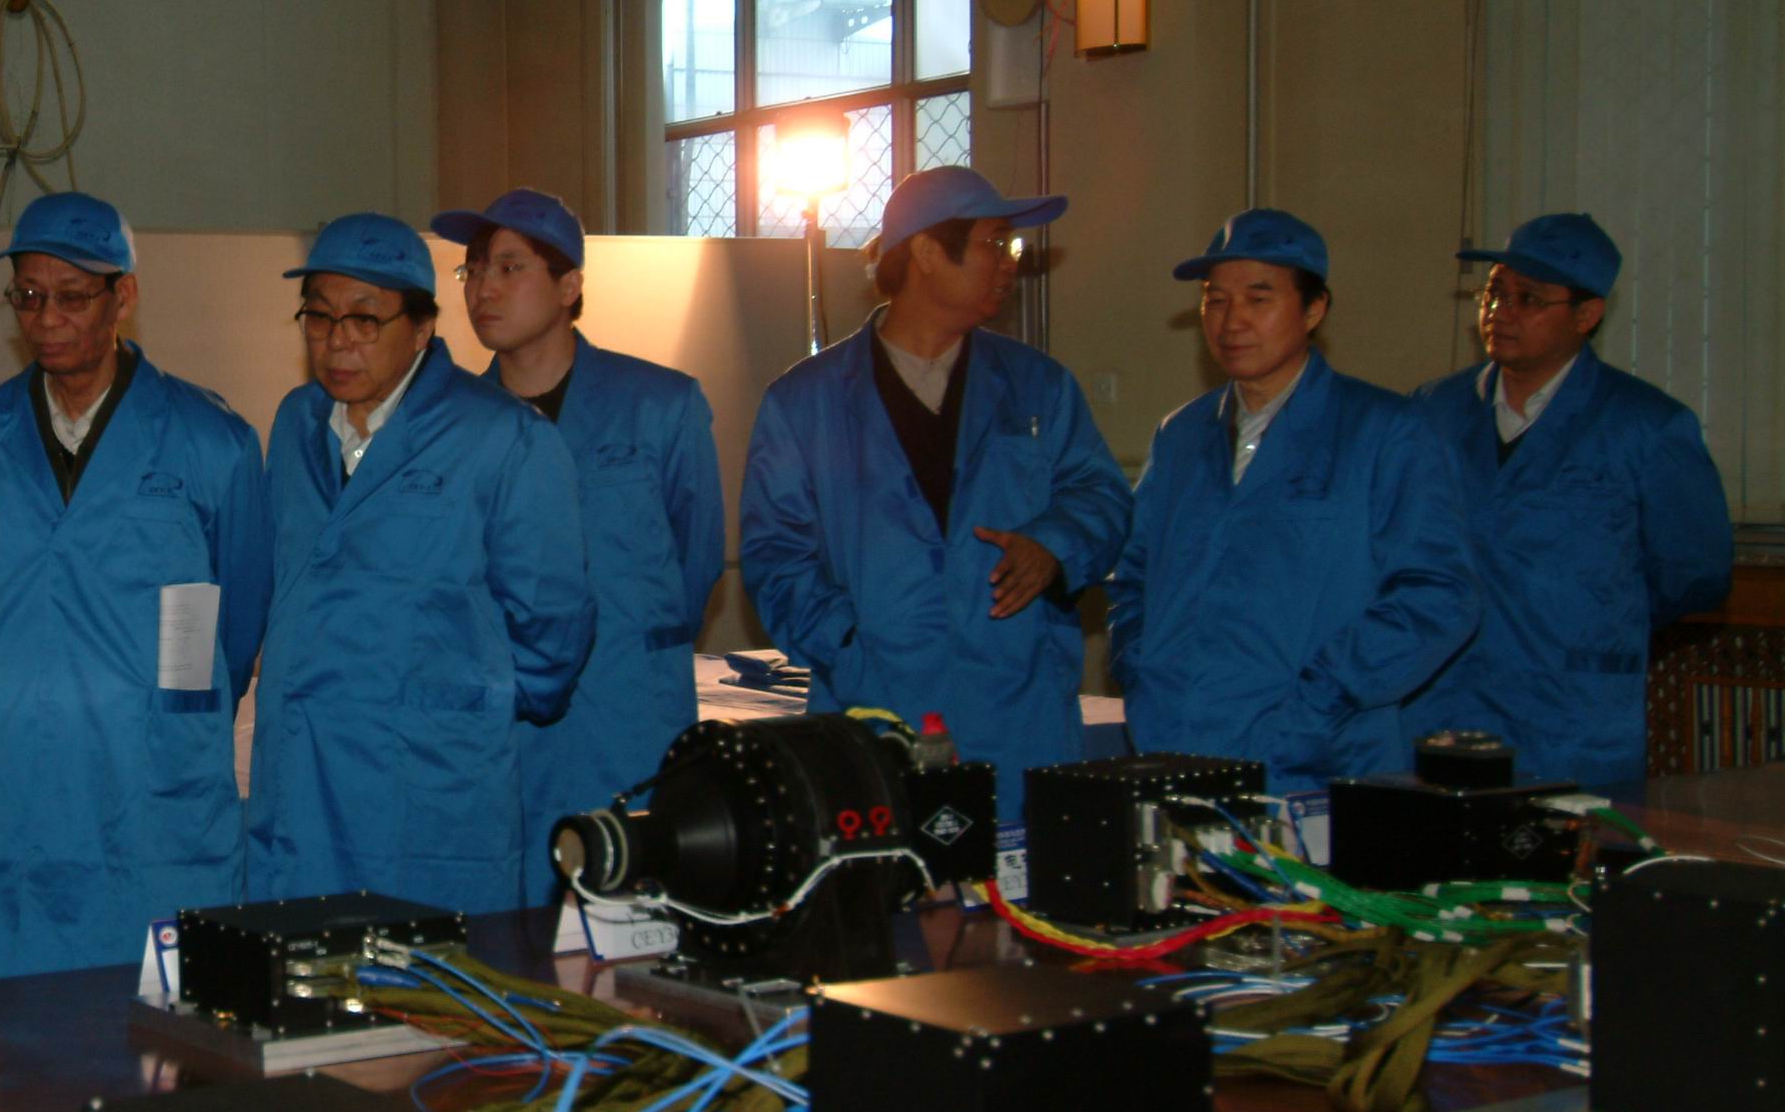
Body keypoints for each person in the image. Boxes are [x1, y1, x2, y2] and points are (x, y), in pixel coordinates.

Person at [738, 167, 1130, 820]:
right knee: (886, 879)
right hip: (874, 714)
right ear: (924, 250)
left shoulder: (1039, 387)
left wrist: (1054, 547)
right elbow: (776, 556)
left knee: (1021, 877)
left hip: (1017, 711)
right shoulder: (805, 403)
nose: (1010, 263)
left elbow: (1102, 496)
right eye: (995, 243)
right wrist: (850, 646)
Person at [0, 192, 272, 973]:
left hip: (156, 778)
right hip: (25, 769)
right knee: (27, 1017)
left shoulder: (209, 440)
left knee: (173, 1011)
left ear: (123, 296)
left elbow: (240, 616)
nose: (46, 318)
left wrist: (174, 705)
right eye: (28, 296)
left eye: (71, 296)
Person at [247, 213, 595, 916]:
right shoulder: (295, 423)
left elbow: (552, 632)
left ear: (422, 327)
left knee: (430, 972)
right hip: (302, 768)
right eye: (319, 316)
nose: (338, 339)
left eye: (364, 319)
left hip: (427, 782)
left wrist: (456, 706)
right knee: (299, 965)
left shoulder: (502, 437)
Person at [1108, 210, 1477, 791]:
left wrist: (1326, 696)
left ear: (1314, 309)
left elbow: (1439, 595)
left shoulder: (1384, 431)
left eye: (1259, 299)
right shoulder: (1182, 435)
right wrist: (1141, 667)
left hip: (1317, 758)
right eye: (1215, 300)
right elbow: (1134, 576)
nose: (1232, 321)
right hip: (1178, 743)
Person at [442, 187, 722, 884]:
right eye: (474, 270)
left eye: (510, 268)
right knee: (509, 916)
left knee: (634, 905)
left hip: (628, 715)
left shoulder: (660, 405)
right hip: (504, 727)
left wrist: (636, 640)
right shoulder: (451, 425)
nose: (483, 289)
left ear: (568, 286)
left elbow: (697, 562)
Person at [1407, 214, 1730, 787]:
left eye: (1528, 298)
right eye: (1495, 292)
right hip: (1443, 704)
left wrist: (1595, 618)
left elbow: (1693, 574)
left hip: (1569, 711)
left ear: (1587, 315)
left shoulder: (1647, 425)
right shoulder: (1431, 411)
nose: (1501, 311)